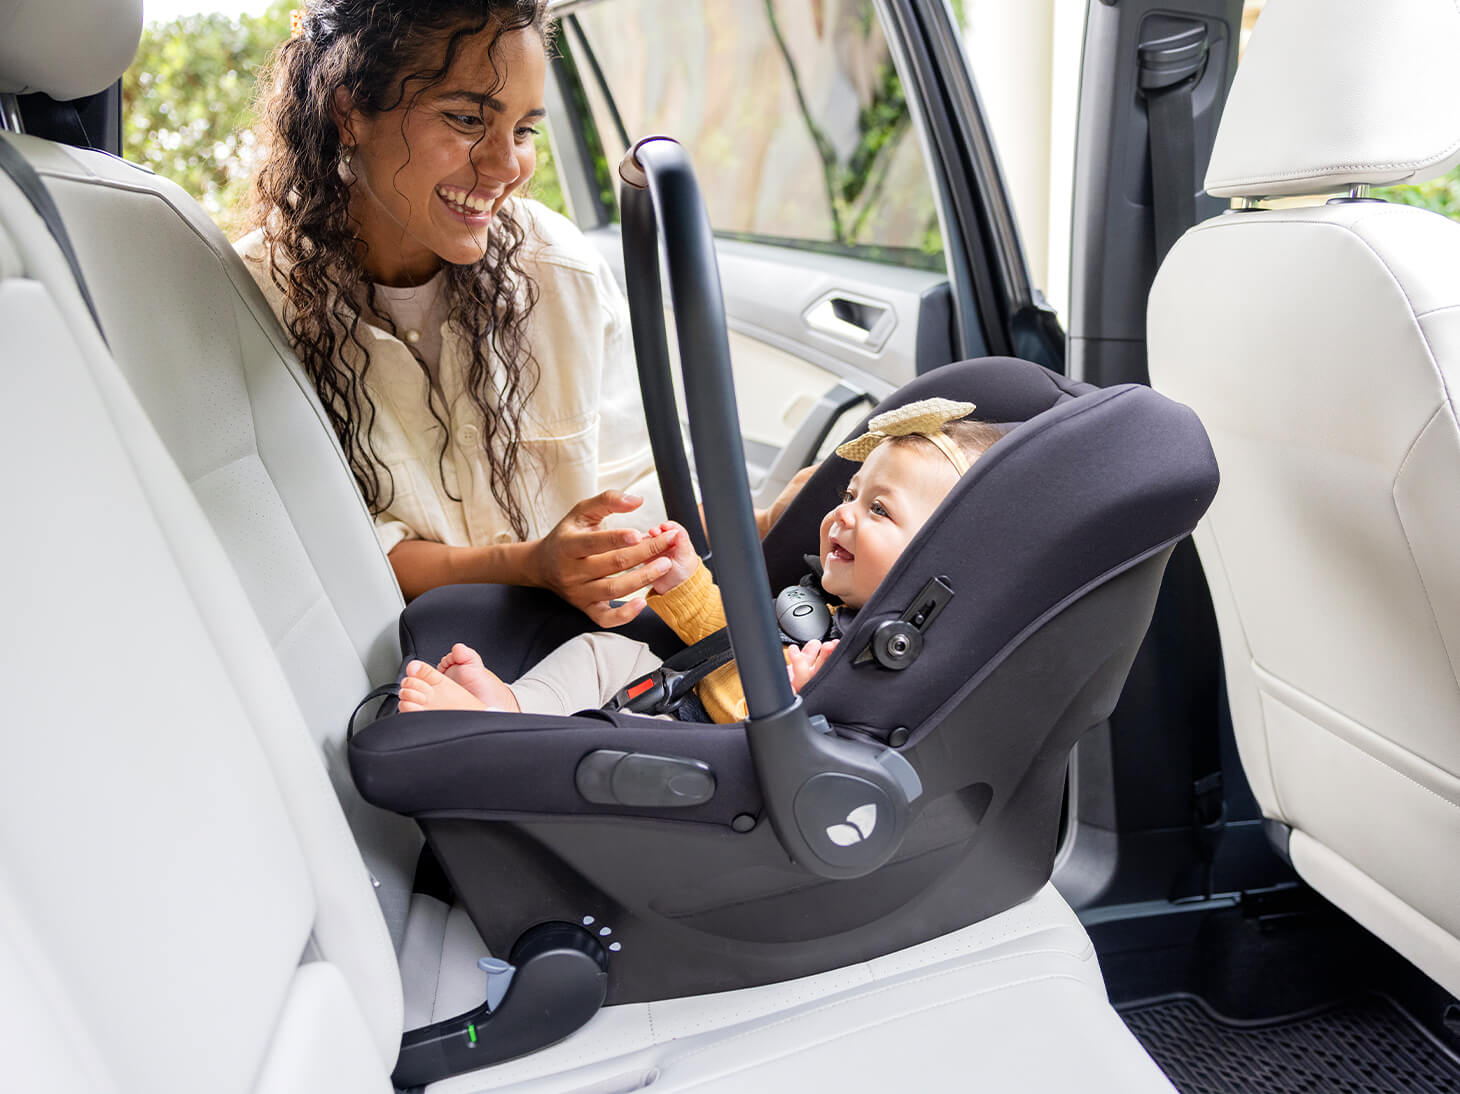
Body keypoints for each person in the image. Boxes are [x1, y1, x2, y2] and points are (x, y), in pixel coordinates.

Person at [236, 0, 702, 625]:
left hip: (596, 660)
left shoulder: (558, 269)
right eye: (464, 118)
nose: (506, 167)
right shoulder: (256, 303)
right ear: (349, 113)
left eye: (525, 130)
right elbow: (329, 549)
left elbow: (643, 486)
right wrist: (529, 567)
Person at [397, 399, 1006, 722]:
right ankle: (514, 710)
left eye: (879, 511)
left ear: (935, 555)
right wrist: (686, 581)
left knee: (633, 742)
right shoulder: (823, 602)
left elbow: (836, 751)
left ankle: (503, 741)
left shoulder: (883, 658)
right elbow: (730, 642)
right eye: (850, 496)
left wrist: (799, 707)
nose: (842, 515)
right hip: (685, 690)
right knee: (604, 652)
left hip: (711, 759)